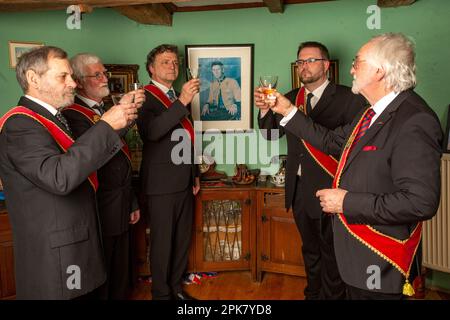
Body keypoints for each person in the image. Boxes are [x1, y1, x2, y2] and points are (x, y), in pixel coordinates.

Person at [264, 33, 442, 299]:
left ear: (380, 71)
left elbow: (420, 202)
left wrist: (345, 202)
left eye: (358, 62)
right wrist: (288, 109)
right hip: (358, 255)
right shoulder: (371, 112)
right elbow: (331, 140)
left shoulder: (414, 119)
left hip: (382, 260)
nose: (351, 69)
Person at [0, 46, 139, 299]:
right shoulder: (20, 124)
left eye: (71, 76)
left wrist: (118, 122)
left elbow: (81, 161)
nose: (73, 83)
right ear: (33, 79)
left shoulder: (52, 118)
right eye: (63, 76)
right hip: (57, 258)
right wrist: (107, 125)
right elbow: (59, 177)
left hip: (75, 246)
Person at [256, 41, 366, 299]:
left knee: (333, 254)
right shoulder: (291, 96)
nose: (304, 66)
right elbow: (271, 135)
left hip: (332, 190)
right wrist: (263, 110)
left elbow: (346, 147)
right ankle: (313, 295)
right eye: (300, 62)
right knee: (310, 251)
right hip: (299, 190)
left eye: (311, 61)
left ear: (326, 65)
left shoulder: (350, 97)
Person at [62, 53, 145, 299]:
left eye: (104, 73)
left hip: (119, 204)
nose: (103, 79)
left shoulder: (104, 110)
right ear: (78, 80)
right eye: (96, 75)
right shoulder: (71, 115)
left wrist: (131, 201)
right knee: (101, 274)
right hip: (97, 206)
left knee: (120, 270)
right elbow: (95, 156)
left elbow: (119, 157)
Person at [136, 44, 200, 300]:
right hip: (161, 184)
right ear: (151, 68)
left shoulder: (174, 96)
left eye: (175, 62)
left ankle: (175, 288)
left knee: (182, 240)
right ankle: (161, 294)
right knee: (163, 242)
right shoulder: (144, 96)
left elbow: (187, 138)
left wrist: (194, 173)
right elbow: (151, 133)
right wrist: (184, 100)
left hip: (184, 181)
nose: (172, 66)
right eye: (165, 62)